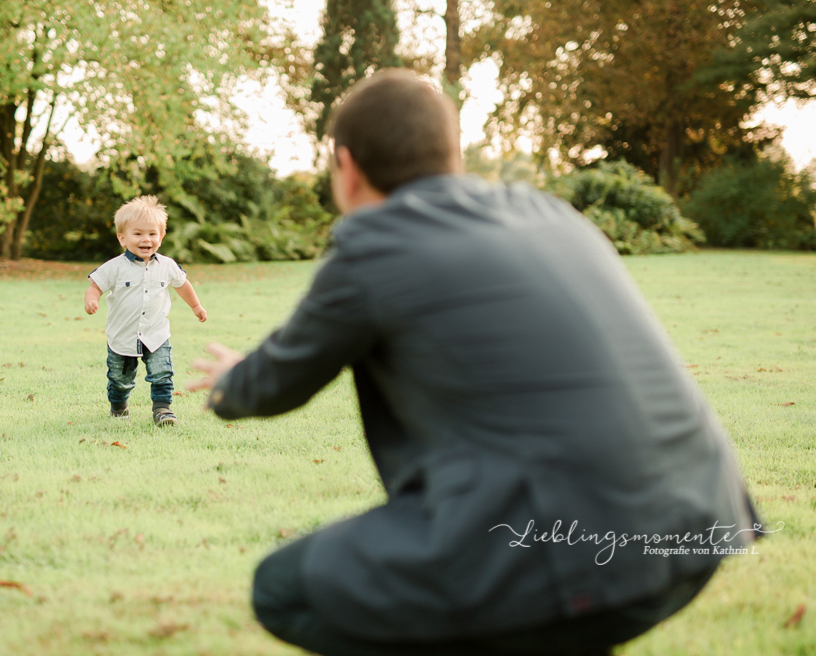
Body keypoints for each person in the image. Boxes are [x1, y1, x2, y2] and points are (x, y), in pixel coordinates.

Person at [188, 69, 761, 656]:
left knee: (283, 590)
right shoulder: (550, 214)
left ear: (346, 165)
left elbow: (273, 384)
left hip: (561, 546)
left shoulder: (374, 245)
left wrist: (232, 379)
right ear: (453, 155)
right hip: (697, 521)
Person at [85, 195, 206, 425]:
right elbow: (95, 286)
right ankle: (119, 407)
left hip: (156, 333)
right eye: (138, 233)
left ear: (161, 236)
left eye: (152, 234)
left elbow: (183, 285)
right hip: (123, 336)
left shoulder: (168, 266)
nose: (146, 239)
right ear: (122, 238)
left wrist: (196, 306)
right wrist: (92, 300)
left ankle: (163, 410)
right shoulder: (115, 267)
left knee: (162, 372)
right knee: (120, 379)